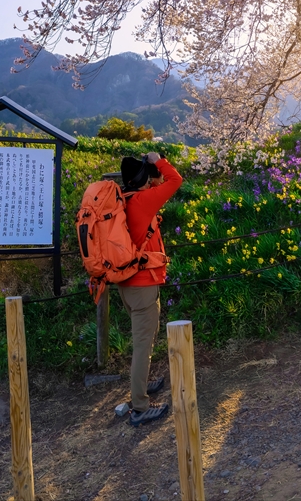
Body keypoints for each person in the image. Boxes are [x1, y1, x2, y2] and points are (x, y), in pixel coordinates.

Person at [119, 150, 183, 425]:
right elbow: (175, 180)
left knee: (143, 340)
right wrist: (158, 161)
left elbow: (159, 186)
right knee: (143, 346)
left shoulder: (127, 199)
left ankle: (141, 387)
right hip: (143, 286)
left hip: (129, 284)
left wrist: (150, 174)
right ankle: (141, 407)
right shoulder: (145, 201)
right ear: (144, 180)